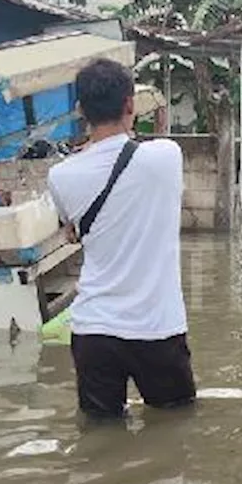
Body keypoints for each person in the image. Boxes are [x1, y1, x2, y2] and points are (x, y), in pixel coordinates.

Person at [47, 58, 195, 418]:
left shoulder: (60, 175)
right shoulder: (166, 157)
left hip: (93, 330)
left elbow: (70, 231)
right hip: (157, 329)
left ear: (80, 109)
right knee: (176, 428)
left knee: (99, 437)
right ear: (130, 105)